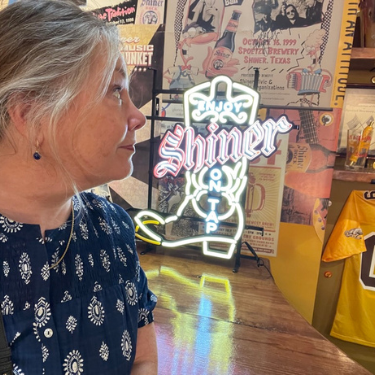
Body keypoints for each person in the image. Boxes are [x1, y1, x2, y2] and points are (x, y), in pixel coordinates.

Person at [0, 1, 157, 374]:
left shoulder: (113, 229)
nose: (137, 115)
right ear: (32, 115)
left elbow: (144, 359)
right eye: (115, 90)